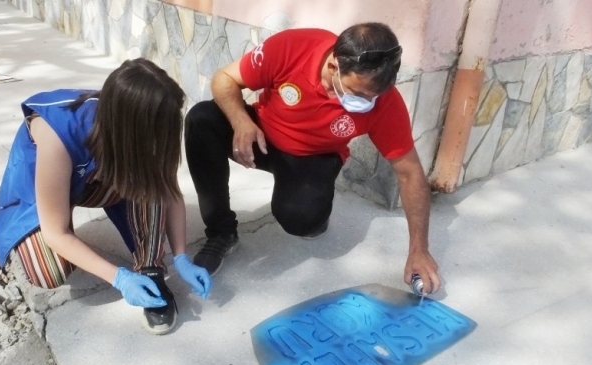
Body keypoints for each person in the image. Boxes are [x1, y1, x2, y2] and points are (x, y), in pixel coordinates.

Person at [184, 22, 441, 294]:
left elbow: (410, 173)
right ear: (334, 67)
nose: (368, 102)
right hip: (261, 135)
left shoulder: (384, 101)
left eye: (374, 96)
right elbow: (224, 79)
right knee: (202, 119)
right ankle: (221, 232)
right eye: (359, 94)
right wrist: (240, 122)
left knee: (301, 219)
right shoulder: (292, 48)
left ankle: (315, 210)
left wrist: (419, 251)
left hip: (314, 157)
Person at [0, 58, 211, 335]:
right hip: (44, 184)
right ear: (130, 129)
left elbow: (166, 185)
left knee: (149, 181)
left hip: (99, 178)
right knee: (48, 271)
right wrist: (117, 278)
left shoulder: (143, 128)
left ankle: (149, 268)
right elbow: (56, 233)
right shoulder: (59, 132)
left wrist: (181, 257)